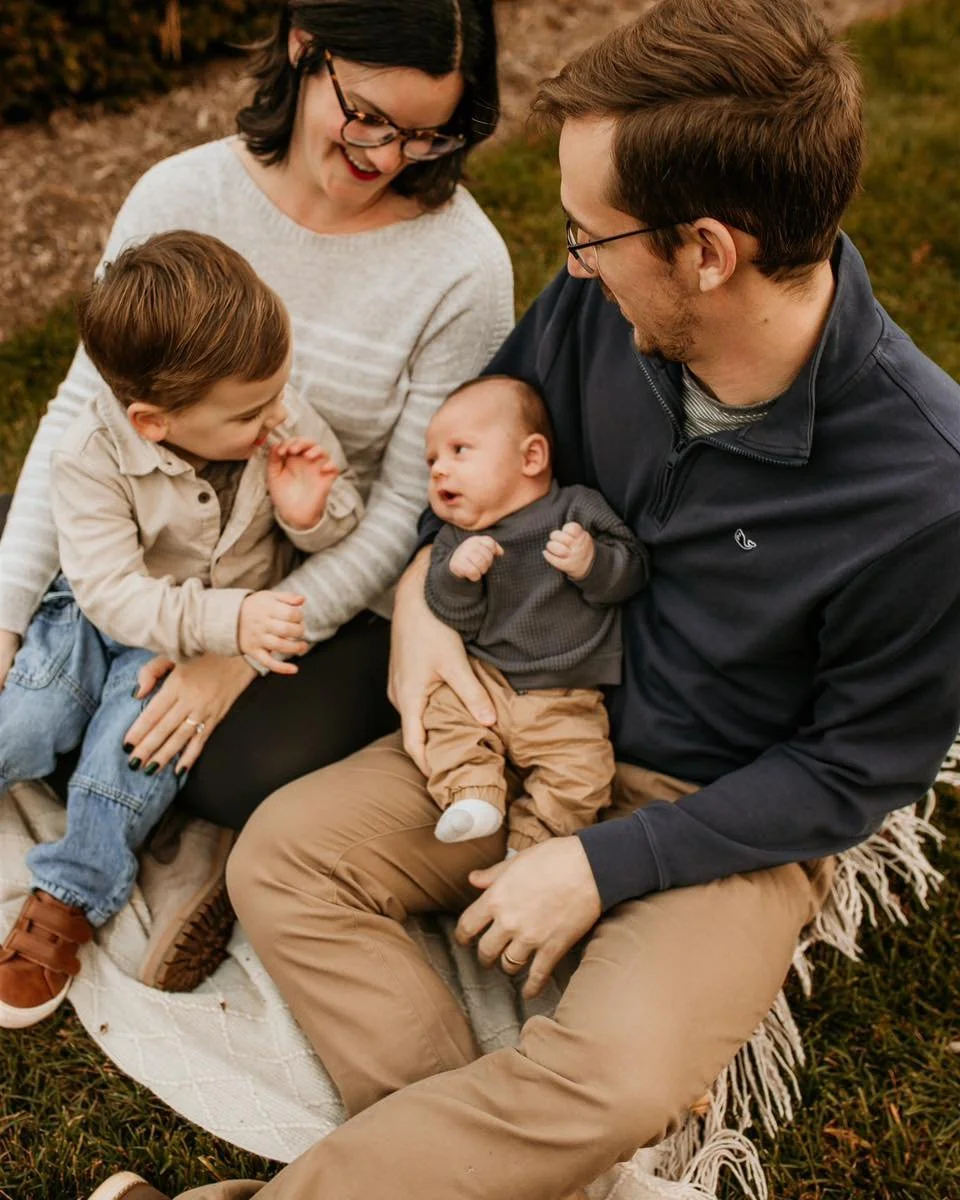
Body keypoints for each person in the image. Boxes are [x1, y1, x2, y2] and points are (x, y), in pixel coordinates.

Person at [87, 0, 960, 1197]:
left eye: (590, 237)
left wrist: (606, 867)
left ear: (705, 251)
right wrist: (424, 600)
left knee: (609, 1081)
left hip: (718, 806)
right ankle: (463, 1166)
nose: (571, 265)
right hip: (514, 716)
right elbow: (478, 452)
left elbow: (856, 771)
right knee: (282, 862)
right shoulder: (605, 317)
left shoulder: (927, 491)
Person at [0, 0, 512, 975]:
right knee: (42, 620)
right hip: (136, 547)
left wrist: (231, 649)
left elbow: (415, 513)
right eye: (366, 115)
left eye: (426, 131)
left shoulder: (462, 268)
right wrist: (8, 616)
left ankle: (186, 839)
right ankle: (126, 773)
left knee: (249, 767)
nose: (389, 154)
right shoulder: (179, 193)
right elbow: (82, 412)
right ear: (302, 48)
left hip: (307, 587)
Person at [0, 230, 366, 1028]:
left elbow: (338, 527)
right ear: (153, 422)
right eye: (249, 412)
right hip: (103, 615)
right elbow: (108, 593)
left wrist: (313, 515)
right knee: (26, 724)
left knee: (132, 752)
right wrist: (230, 619)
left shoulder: (276, 412)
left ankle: (70, 891)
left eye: (280, 391)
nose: (276, 415)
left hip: (186, 651)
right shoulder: (90, 454)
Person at [423, 375, 648, 852]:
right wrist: (456, 578)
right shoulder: (456, 540)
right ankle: (472, 795)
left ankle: (529, 844)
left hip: (565, 695)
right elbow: (454, 617)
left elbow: (632, 573)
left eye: (459, 450)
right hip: (484, 681)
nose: (439, 469)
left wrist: (592, 563)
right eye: (432, 461)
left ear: (531, 457)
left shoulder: (577, 509)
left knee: (583, 774)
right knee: (441, 716)